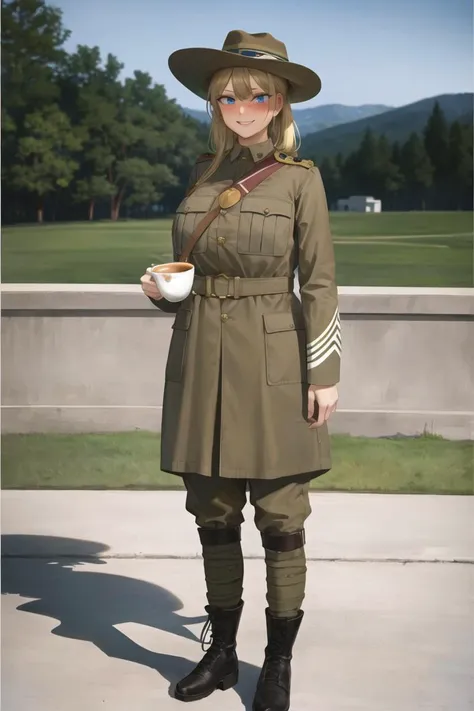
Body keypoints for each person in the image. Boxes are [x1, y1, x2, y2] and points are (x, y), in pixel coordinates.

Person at [140, 29, 341, 711]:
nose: (244, 105)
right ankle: (223, 654)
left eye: (258, 94)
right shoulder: (202, 175)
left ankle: (278, 661)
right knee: (214, 511)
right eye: (230, 95)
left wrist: (324, 370)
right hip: (201, 351)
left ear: (279, 102)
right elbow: (196, 264)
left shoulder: (300, 181)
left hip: (274, 354)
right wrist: (163, 287)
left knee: (281, 514)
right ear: (215, 101)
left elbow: (319, 284)